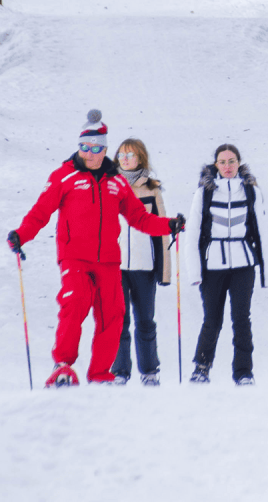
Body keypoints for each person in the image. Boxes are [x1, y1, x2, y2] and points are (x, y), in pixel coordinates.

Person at [6, 110, 185, 387]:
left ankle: (101, 373)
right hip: (75, 257)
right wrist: (21, 235)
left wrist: (169, 225)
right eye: (84, 147)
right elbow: (41, 211)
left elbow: (139, 218)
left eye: (95, 148)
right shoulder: (64, 176)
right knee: (75, 302)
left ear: (104, 151)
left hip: (109, 261)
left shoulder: (116, 182)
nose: (89, 153)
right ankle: (63, 365)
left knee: (113, 314)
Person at [183, 143, 266, 386]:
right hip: (212, 266)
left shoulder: (251, 191)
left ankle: (244, 372)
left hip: (243, 264)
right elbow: (193, 233)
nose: (227, 166)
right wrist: (194, 272)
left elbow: (262, 231)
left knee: (241, 319)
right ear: (216, 164)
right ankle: (201, 368)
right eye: (222, 162)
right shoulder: (204, 193)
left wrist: (265, 270)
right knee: (212, 319)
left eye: (231, 161)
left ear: (239, 163)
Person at [110, 138, 171, 386]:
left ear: (140, 159)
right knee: (118, 321)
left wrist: (164, 271)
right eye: (121, 155)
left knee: (145, 320)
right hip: (114, 267)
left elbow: (161, 231)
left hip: (144, 267)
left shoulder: (151, 190)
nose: (125, 160)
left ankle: (149, 371)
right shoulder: (107, 186)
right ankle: (119, 371)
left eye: (131, 155)